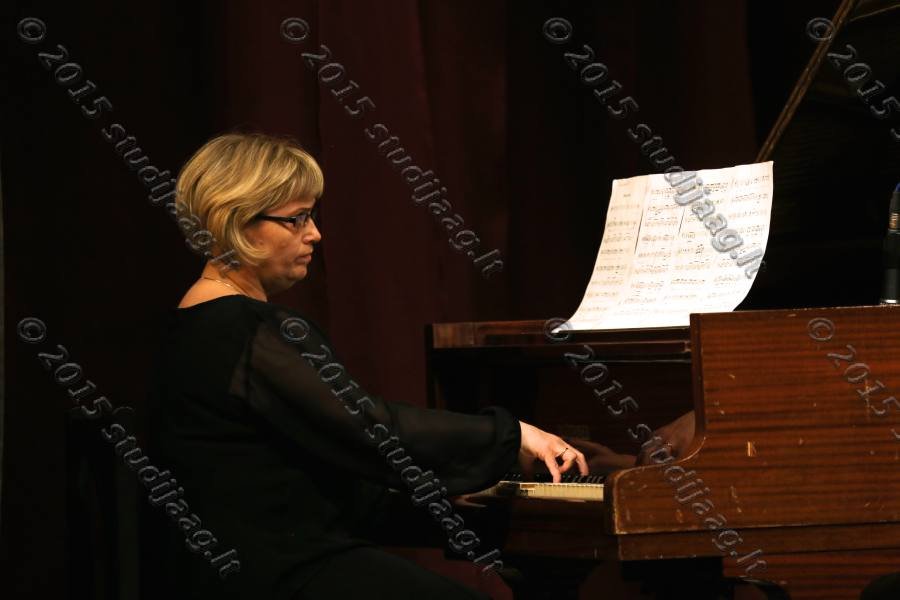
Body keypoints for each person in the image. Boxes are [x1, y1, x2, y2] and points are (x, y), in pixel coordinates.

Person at [146, 132, 589, 600]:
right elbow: (371, 428)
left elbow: (309, 460)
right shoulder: (248, 329)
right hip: (279, 569)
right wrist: (513, 435)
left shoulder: (192, 322)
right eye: (297, 219)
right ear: (236, 222)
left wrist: (441, 484)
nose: (314, 234)